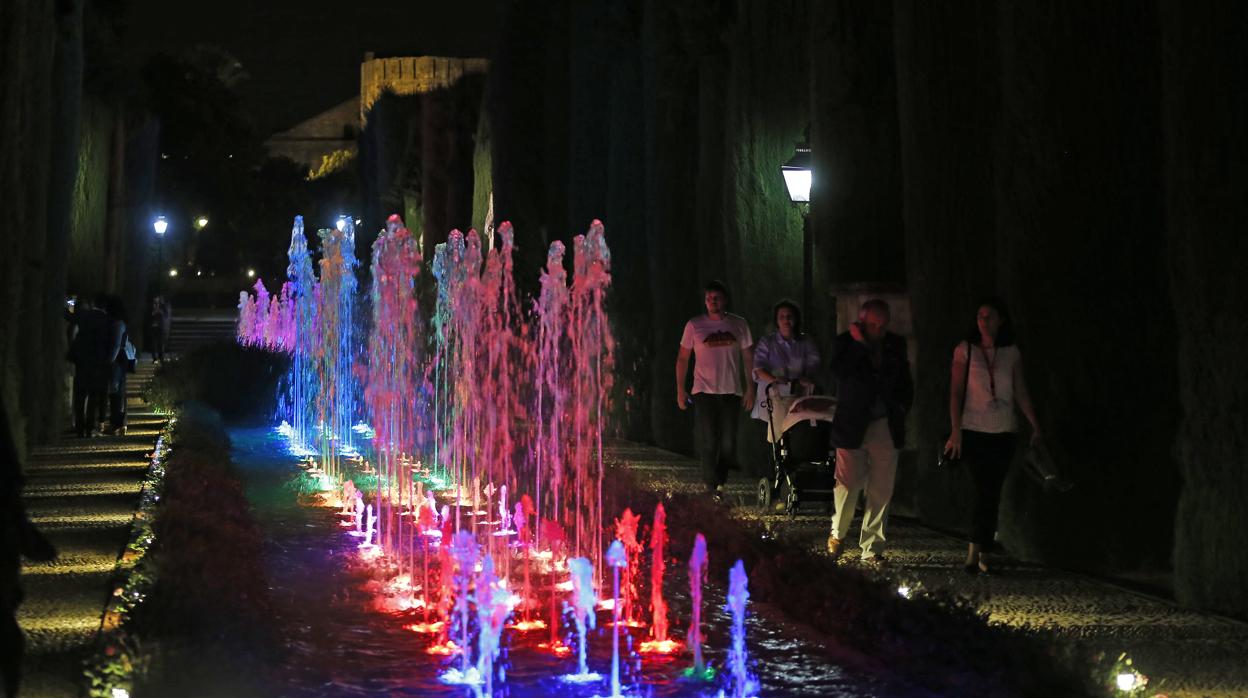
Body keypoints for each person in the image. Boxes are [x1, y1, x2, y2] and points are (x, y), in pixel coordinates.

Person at [943, 298, 1042, 575]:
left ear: (1001, 321)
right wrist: (955, 428)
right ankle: (980, 551)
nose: (983, 321)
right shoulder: (966, 350)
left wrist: (1035, 424)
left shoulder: (1011, 353)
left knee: (992, 491)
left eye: (989, 316)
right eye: (980, 316)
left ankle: (979, 551)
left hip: (1004, 430)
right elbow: (956, 391)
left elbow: (1020, 390)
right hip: (974, 429)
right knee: (982, 490)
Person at [826, 299, 913, 565]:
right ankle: (837, 534)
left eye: (882, 326)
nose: (878, 330)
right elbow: (839, 372)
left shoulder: (895, 345)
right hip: (853, 424)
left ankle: (872, 547)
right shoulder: (845, 343)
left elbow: (905, 382)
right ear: (862, 323)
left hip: (884, 422)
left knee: (881, 487)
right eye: (873, 325)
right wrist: (860, 345)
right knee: (847, 483)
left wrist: (900, 407)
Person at [676, 281, 755, 502]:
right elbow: (683, 358)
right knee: (710, 440)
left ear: (725, 300)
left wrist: (750, 387)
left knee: (728, 444)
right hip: (704, 391)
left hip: (731, 390)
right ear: (705, 301)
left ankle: (719, 481)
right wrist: (680, 390)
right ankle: (712, 487)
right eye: (709, 298)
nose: (713, 301)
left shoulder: (739, 325)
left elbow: (749, 356)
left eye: (717, 297)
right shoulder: (695, 325)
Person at [65, 293, 111, 437]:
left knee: (80, 395)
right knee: (93, 396)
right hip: (97, 361)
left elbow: (68, 315)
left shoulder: (84, 315)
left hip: (81, 359)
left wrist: (70, 300)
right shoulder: (107, 319)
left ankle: (80, 428)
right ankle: (90, 428)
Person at [102, 295, 130, 436]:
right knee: (118, 391)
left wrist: (110, 360)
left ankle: (116, 423)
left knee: (115, 391)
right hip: (120, 359)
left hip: (117, 359)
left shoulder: (117, 323)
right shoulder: (120, 322)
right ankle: (120, 423)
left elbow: (116, 345)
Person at [149, 295, 168, 363]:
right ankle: (154, 358)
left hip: (160, 327)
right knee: (153, 344)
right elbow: (149, 315)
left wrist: (160, 312)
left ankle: (161, 357)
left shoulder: (162, 306)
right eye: (155, 298)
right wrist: (153, 313)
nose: (156, 299)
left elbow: (166, 314)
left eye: (157, 298)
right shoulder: (151, 305)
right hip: (153, 327)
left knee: (160, 343)